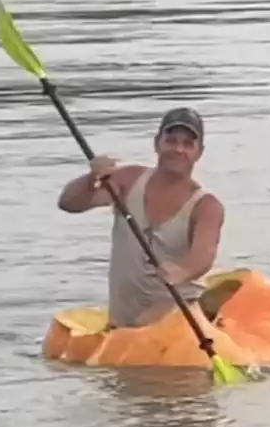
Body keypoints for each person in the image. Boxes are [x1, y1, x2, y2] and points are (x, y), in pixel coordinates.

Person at [55, 107, 225, 329]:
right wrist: (90, 179)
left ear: (199, 152)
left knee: (162, 317)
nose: (178, 149)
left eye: (187, 144)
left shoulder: (207, 206)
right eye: (171, 141)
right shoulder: (128, 179)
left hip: (179, 320)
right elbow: (69, 203)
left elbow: (204, 255)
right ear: (157, 143)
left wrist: (182, 271)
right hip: (123, 323)